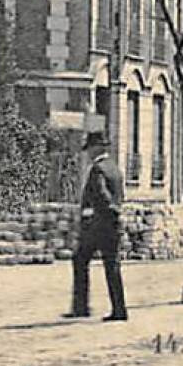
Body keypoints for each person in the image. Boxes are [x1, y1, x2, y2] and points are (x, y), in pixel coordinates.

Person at [65, 131, 128, 322]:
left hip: (99, 225)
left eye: (90, 149)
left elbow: (101, 194)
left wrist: (97, 211)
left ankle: (81, 307)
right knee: (112, 267)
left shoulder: (98, 169)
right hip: (112, 225)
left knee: (80, 259)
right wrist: (115, 212)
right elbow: (119, 196)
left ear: (98, 148)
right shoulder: (115, 169)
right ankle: (119, 309)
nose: (89, 153)